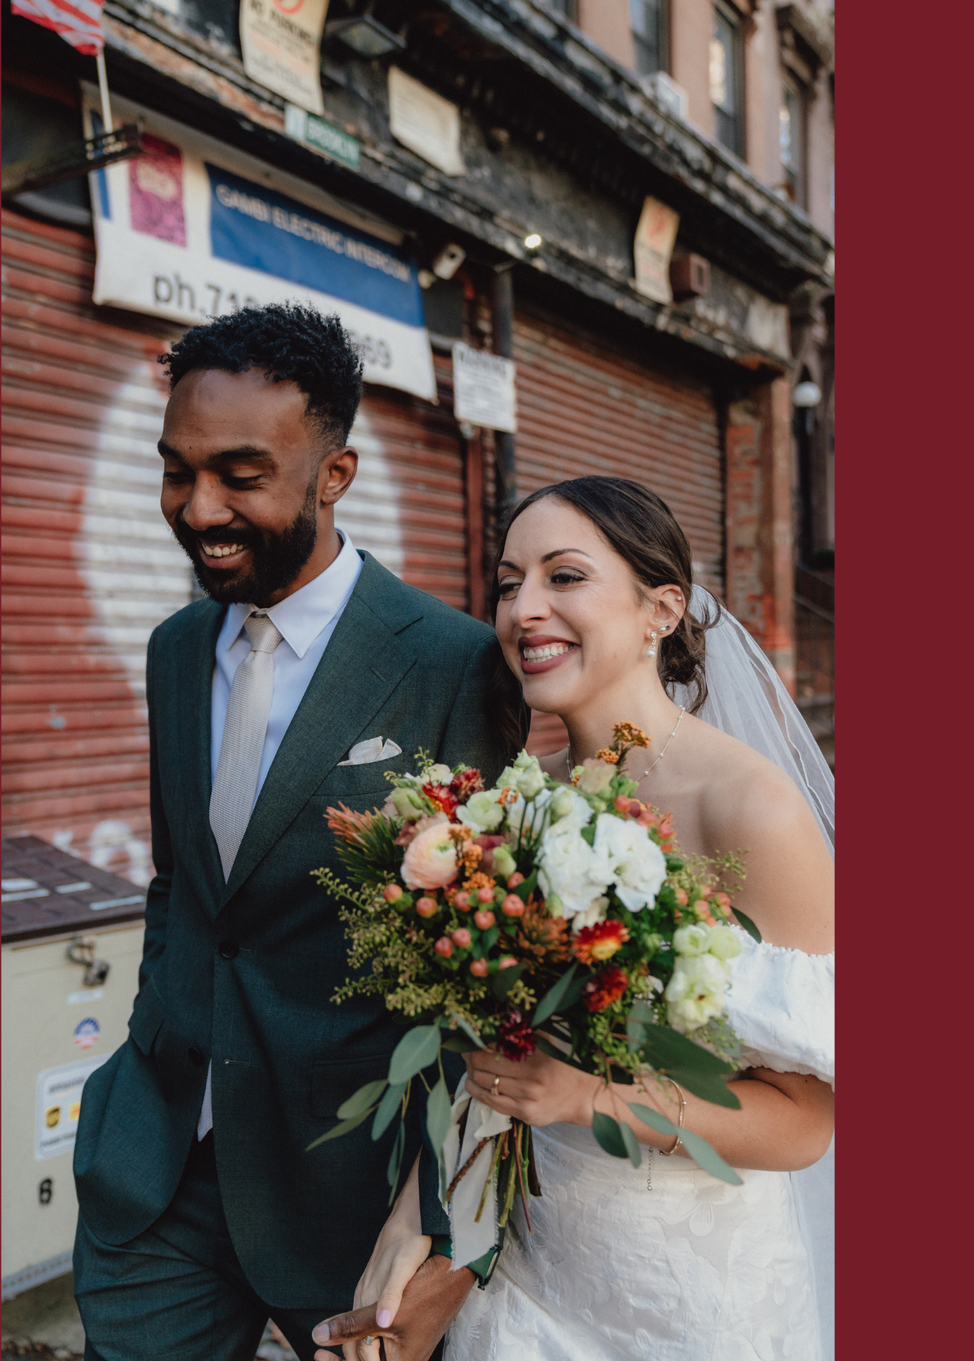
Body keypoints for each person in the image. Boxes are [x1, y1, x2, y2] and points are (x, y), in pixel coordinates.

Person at [71, 303, 527, 1360]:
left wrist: (442, 1222)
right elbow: (183, 884)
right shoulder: (175, 647)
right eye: (176, 471)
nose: (199, 508)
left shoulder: (454, 662)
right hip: (157, 1170)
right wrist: (151, 1035)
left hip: (351, 1192)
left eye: (240, 475)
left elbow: (492, 969)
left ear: (336, 475)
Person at [316, 476, 838, 1360]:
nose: (524, 609)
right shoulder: (517, 804)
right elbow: (492, 1061)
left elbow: (806, 1124)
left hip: (692, 1291)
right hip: (534, 1275)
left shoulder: (749, 807)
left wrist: (592, 1096)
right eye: (508, 583)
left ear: (661, 610)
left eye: (564, 576)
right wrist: (418, 1224)